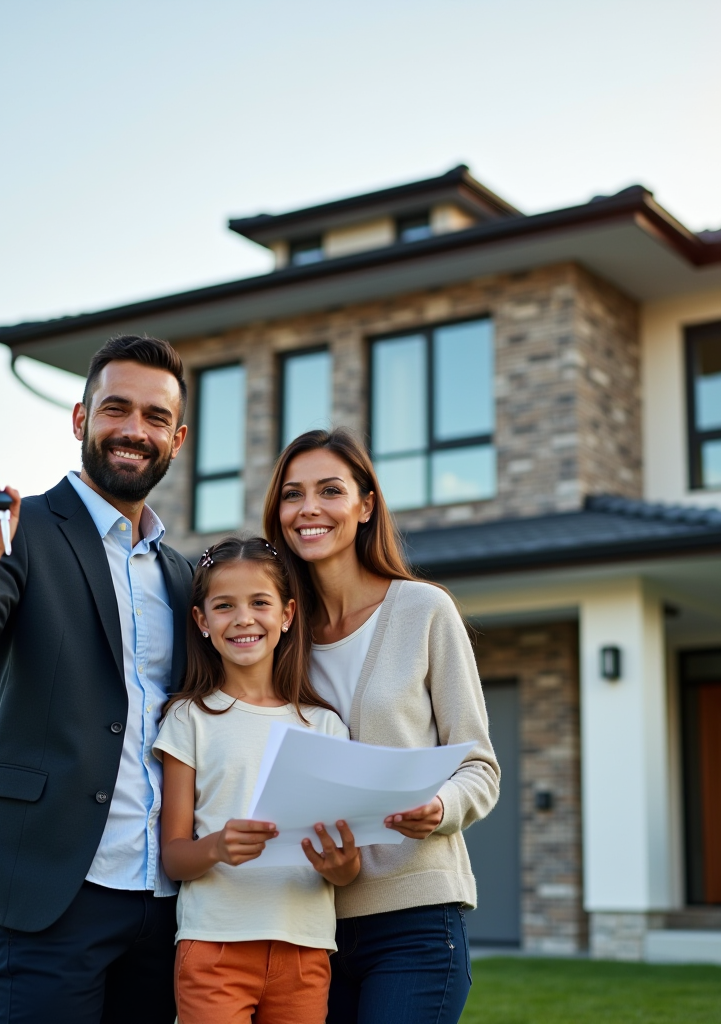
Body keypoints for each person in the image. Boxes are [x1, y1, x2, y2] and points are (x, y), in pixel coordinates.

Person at [0, 334, 194, 1024]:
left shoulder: (183, 575)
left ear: (177, 439)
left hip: (161, 902)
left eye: (155, 418)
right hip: (47, 892)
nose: (133, 430)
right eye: (115, 409)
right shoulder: (21, 528)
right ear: (80, 420)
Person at [262, 427, 500, 1024]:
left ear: (366, 506)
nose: (308, 508)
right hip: (308, 923)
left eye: (330, 490)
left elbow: (479, 766)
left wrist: (440, 808)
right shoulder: (277, 633)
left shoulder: (423, 610)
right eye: (292, 494)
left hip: (415, 923)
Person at [156, 536, 360, 1024]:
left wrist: (341, 863)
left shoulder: (325, 726)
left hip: (305, 950)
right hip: (214, 947)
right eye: (224, 606)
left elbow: (347, 871)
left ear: (287, 615)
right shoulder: (190, 718)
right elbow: (174, 856)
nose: (243, 618)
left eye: (259, 603)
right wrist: (217, 848)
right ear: (203, 622)